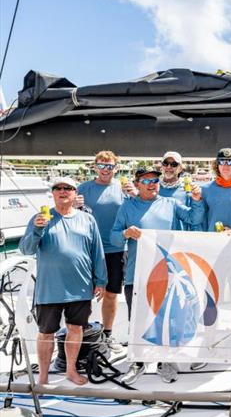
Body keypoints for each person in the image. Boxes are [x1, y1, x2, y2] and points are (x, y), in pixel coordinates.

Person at [111, 167, 205, 385]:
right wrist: (125, 234)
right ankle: (138, 362)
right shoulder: (127, 207)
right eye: (146, 181)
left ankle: (166, 361)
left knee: (167, 320)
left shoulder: (170, 204)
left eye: (155, 180)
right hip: (136, 274)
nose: (151, 184)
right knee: (137, 320)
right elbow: (114, 238)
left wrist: (198, 200)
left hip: (167, 274)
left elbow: (194, 218)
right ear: (137, 184)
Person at [20, 177, 107, 385]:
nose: (62, 190)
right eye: (57, 188)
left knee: (76, 329)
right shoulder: (40, 218)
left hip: (81, 286)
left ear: (75, 192)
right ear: (52, 193)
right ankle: (43, 376)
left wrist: (101, 280)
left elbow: (97, 251)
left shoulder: (87, 219)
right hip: (49, 288)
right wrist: (37, 229)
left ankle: (70, 370)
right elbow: (26, 249)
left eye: (67, 188)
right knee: (45, 333)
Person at [75, 151, 127, 353]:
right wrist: (73, 204)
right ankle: (83, 335)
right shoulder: (83, 188)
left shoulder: (124, 187)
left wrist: (134, 195)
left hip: (116, 249)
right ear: (95, 167)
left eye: (110, 166)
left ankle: (107, 334)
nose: (106, 170)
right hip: (89, 249)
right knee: (84, 295)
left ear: (117, 168)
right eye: (102, 165)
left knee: (112, 294)